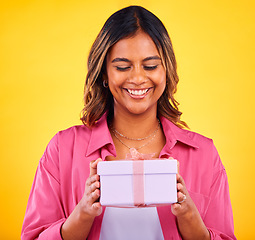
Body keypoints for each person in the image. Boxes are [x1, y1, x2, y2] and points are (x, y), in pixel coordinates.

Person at [21, 5, 236, 240]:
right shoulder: (62, 150)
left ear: (167, 71)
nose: (137, 78)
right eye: (122, 67)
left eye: (151, 66)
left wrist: (191, 220)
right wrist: (81, 215)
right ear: (104, 73)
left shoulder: (204, 155)